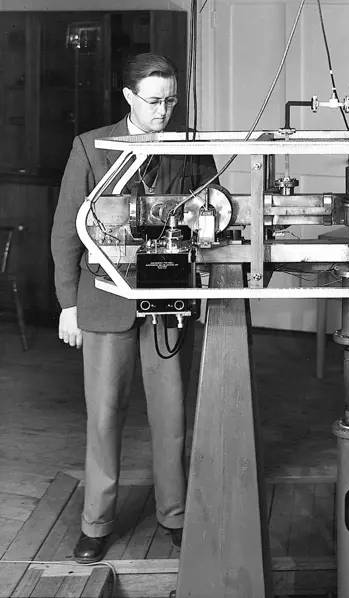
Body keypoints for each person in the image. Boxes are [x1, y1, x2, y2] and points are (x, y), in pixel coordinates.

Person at [51, 53, 217, 564]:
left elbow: (216, 217)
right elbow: (65, 233)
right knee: (103, 417)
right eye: (153, 101)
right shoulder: (91, 147)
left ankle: (175, 516)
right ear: (128, 98)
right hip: (104, 300)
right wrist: (66, 305)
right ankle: (96, 524)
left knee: (171, 416)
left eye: (170, 101)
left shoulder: (191, 150)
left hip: (167, 302)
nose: (163, 111)